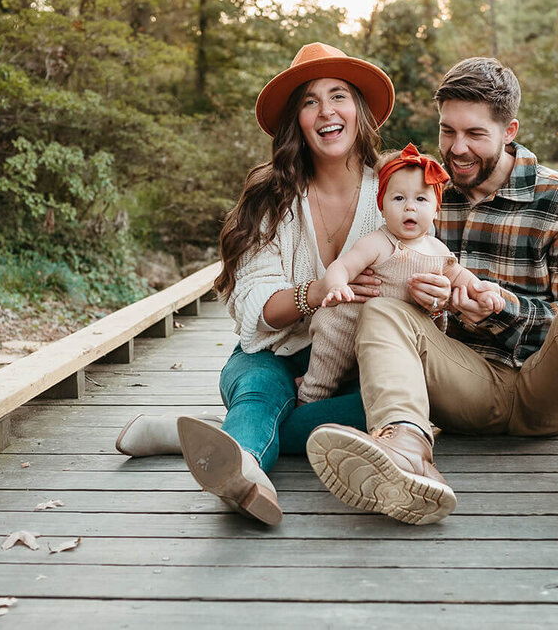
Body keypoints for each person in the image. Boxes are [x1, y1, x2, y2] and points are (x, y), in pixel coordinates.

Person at [306, 56, 558, 527]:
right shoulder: (422, 195)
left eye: (475, 134)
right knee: (382, 311)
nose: (457, 149)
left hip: (549, 391)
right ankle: (405, 455)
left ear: (509, 130)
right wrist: (425, 302)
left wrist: (502, 309)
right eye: (447, 132)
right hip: (466, 385)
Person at [114, 41, 404, 527]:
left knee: (382, 410)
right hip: (273, 352)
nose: (326, 112)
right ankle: (244, 474)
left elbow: (422, 267)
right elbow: (253, 306)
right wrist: (318, 291)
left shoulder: (395, 190)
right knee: (257, 390)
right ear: (297, 121)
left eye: (338, 96)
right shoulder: (271, 199)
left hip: (356, 363)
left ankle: (206, 435)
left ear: (360, 109)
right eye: (310, 101)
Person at [299, 143, 504, 405]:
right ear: (381, 207)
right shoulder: (378, 243)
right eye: (399, 198)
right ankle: (306, 400)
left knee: (374, 381)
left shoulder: (437, 249)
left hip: (387, 337)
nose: (410, 208)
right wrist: (337, 285)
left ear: (436, 209)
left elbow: (462, 277)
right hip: (343, 327)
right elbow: (342, 266)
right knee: (324, 376)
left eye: (421, 199)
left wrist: (483, 292)